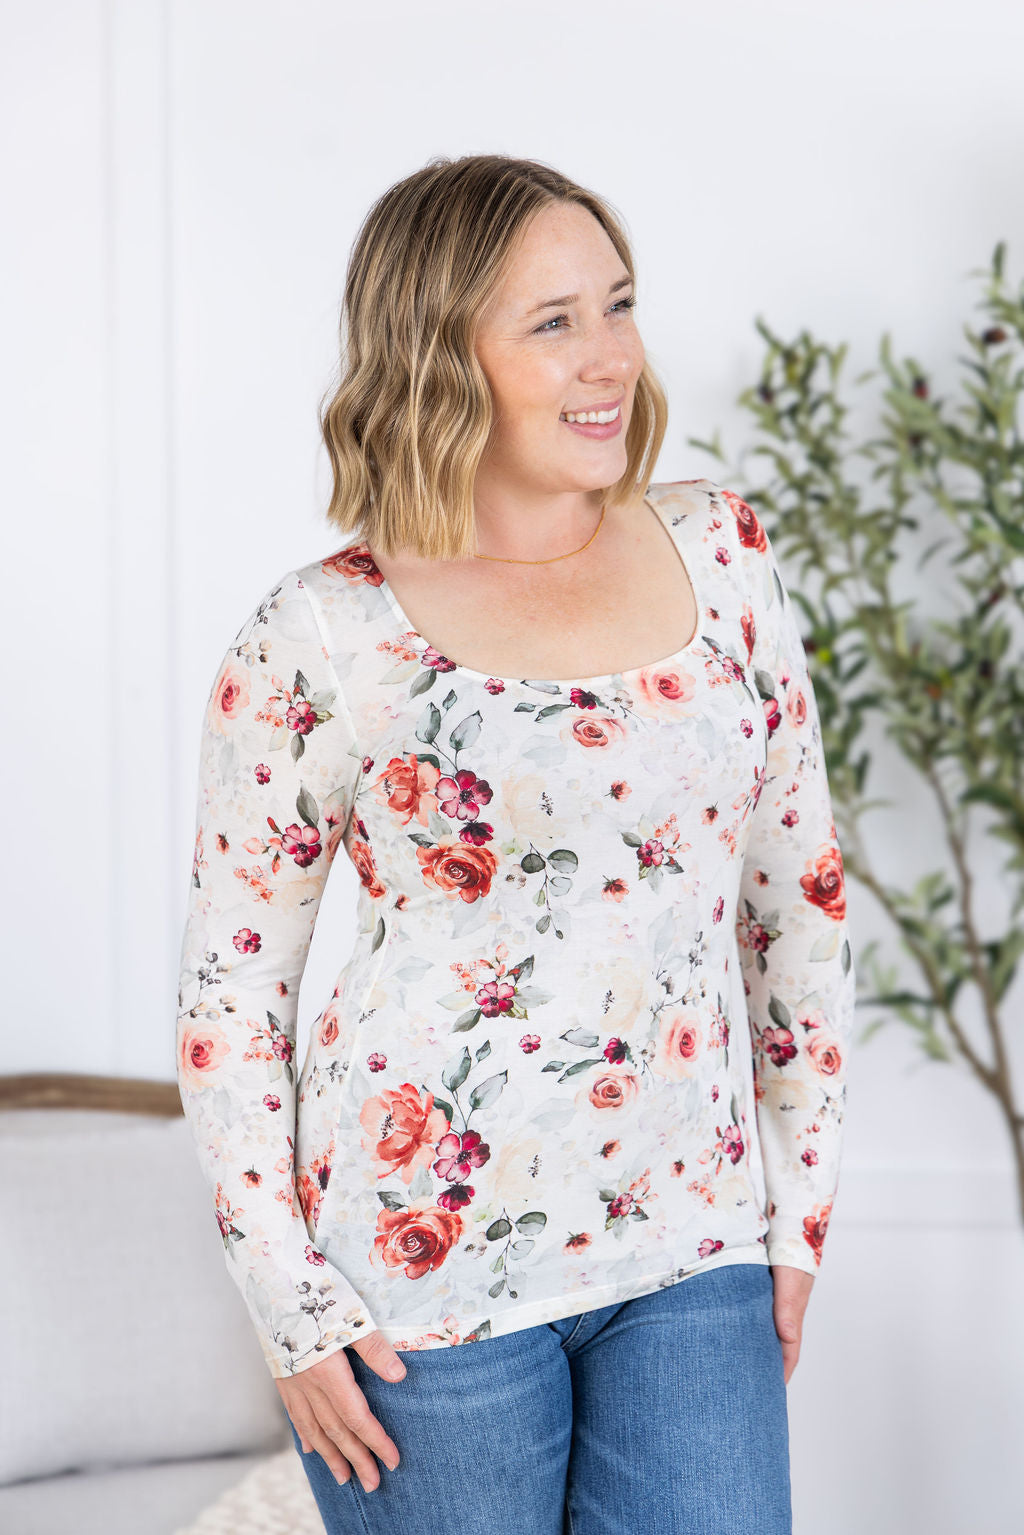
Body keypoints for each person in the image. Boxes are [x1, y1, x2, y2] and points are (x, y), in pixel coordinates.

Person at [176, 153, 856, 1535]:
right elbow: (233, 989)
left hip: (694, 1252)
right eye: (553, 322)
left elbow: (799, 903)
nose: (610, 357)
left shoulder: (723, 553)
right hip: (418, 1292)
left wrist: (801, 1207)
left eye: (619, 304)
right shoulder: (322, 634)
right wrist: (289, 1303)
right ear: (440, 356)